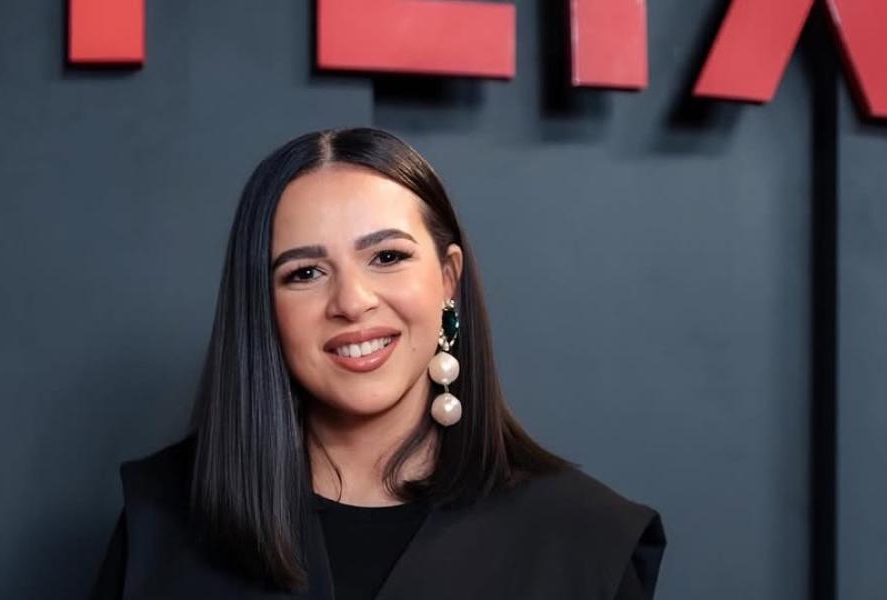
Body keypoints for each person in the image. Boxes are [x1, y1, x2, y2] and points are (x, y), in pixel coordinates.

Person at [90, 128, 666, 599]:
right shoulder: (162, 521)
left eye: (387, 257)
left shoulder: (584, 540)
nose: (352, 301)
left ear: (448, 280)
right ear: (263, 306)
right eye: (305, 273)